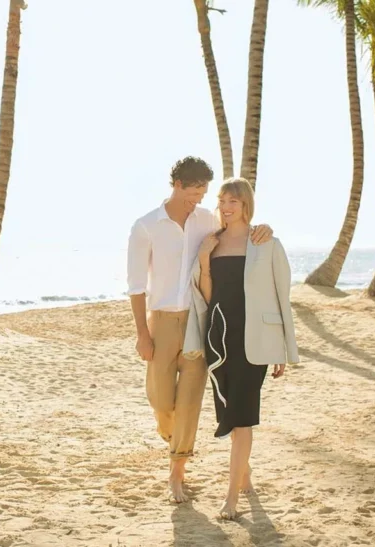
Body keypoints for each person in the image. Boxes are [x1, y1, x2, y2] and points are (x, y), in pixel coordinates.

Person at [127, 158, 273, 504]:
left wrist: (262, 229)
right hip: (161, 322)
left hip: (198, 322)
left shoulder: (207, 219)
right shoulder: (146, 226)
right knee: (161, 401)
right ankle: (174, 438)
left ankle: (177, 473)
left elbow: (238, 228)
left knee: (190, 402)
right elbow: (135, 286)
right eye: (194, 193)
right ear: (177, 185)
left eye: (203, 193)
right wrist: (142, 335)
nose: (200, 200)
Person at [196, 177, 300, 519]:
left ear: (246, 205)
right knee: (229, 412)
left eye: (234, 202)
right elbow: (208, 297)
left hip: (254, 342)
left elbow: (281, 297)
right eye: (223, 201)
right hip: (219, 337)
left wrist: (283, 350)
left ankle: (231, 500)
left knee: (241, 419)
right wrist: (204, 259)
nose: (226, 208)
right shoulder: (211, 241)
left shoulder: (265, 242)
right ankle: (246, 475)